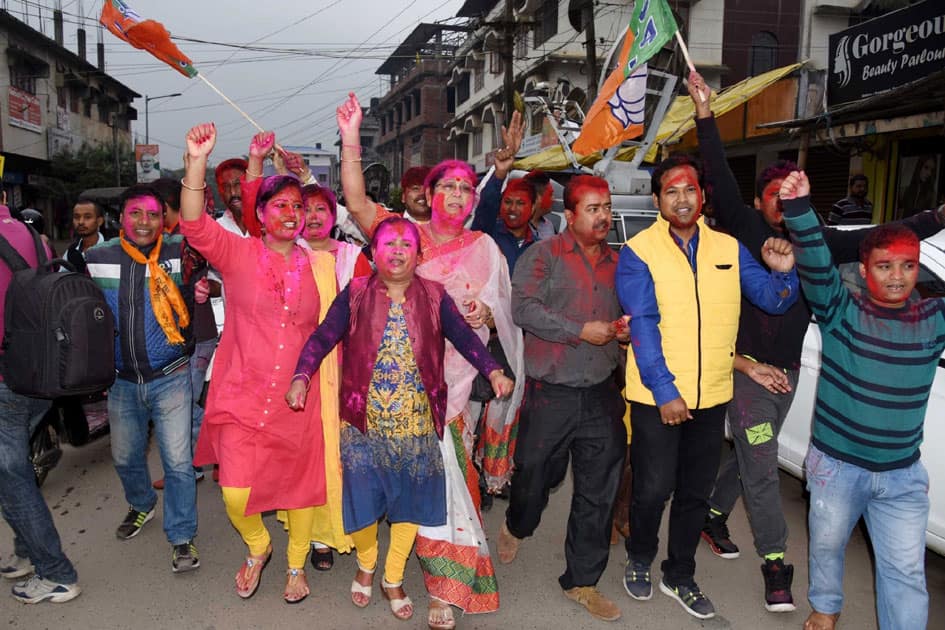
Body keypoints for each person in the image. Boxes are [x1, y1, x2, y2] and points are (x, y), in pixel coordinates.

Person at [686, 70, 945, 613]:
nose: (782, 206)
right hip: (745, 371)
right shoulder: (743, 227)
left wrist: (937, 218)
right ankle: (776, 565)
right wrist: (705, 113)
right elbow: (718, 172)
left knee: (751, 452)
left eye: (790, 197)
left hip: (793, 375)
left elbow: (883, 238)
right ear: (759, 203)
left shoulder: (819, 241)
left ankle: (712, 515)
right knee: (760, 460)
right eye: (774, 197)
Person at [338, 91, 524, 630]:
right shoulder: (402, 237)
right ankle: (393, 570)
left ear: (472, 199)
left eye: (467, 188)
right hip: (396, 390)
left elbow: (497, 317)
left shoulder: (485, 247)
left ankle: (445, 591)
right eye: (448, 185)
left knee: (449, 487)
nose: (457, 194)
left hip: (457, 391)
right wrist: (352, 135)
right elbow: (354, 202)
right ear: (430, 194)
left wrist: (483, 315)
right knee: (413, 485)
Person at [287, 216, 514, 622]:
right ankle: (367, 563)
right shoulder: (355, 292)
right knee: (363, 504)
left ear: (417, 253)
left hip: (418, 424)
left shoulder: (433, 294)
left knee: (411, 506)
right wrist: (302, 376)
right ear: (373, 253)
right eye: (388, 244)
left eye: (406, 245)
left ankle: (392, 578)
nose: (396, 251)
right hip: (362, 425)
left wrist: (493, 370)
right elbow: (323, 337)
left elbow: (463, 336)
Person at [617, 153, 799, 620]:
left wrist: (783, 272)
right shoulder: (638, 252)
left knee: (695, 494)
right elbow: (642, 326)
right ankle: (639, 558)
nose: (682, 198)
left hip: (713, 393)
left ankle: (680, 574)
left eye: (690, 190)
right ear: (657, 199)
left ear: (702, 196)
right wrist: (665, 392)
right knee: (653, 489)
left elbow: (773, 301)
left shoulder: (728, 248)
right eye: (672, 190)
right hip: (655, 396)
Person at [179, 123, 347, 604]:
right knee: (235, 493)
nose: (292, 214)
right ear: (259, 213)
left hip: (298, 398)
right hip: (241, 393)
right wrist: (196, 162)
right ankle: (257, 547)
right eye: (281, 205)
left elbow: (334, 323)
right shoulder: (238, 253)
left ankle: (296, 566)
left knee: (299, 495)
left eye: (299, 206)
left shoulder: (321, 263)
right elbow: (193, 223)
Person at [780, 169, 943, 630]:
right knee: (827, 546)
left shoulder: (935, 318)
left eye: (908, 266)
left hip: (902, 477)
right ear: (864, 269)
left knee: (906, 572)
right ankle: (826, 607)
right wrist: (798, 208)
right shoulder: (840, 312)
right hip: (838, 467)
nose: (897, 276)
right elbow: (814, 260)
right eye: (885, 266)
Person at [499, 174, 628, 622]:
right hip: (549, 391)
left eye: (606, 207)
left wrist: (624, 328)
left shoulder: (620, 263)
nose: (603, 216)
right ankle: (518, 523)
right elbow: (524, 309)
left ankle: (582, 581)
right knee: (535, 473)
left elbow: (630, 312)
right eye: (593, 208)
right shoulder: (543, 256)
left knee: (598, 491)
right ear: (569, 216)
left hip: (601, 393)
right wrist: (578, 330)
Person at [84, 183, 198, 573]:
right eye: (136, 213)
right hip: (121, 382)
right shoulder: (96, 258)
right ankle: (142, 504)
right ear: (121, 217)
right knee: (125, 456)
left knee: (179, 463)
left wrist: (205, 288)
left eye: (152, 213)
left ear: (163, 217)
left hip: (171, 376)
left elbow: (215, 277)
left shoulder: (180, 252)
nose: (145, 221)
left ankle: (182, 537)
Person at [0, 202, 80, 604]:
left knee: (12, 478)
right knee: (13, 473)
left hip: (5, 380)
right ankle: (28, 551)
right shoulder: (32, 234)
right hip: (40, 377)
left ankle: (56, 573)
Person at [150, 178, 217, 491]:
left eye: (152, 210)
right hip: (177, 338)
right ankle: (196, 463)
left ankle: (215, 453)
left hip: (198, 335)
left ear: (164, 208)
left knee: (183, 404)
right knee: (184, 404)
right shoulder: (163, 240)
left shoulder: (188, 239)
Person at [300, 184, 372, 290]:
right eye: (306, 210)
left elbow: (366, 301)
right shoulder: (286, 253)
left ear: (333, 216)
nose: (314, 216)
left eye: (320, 209)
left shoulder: (352, 257)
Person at [471, 178, 537, 274]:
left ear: (533, 208)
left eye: (520, 203)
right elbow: (486, 205)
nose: (513, 208)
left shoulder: (539, 248)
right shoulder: (487, 235)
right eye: (507, 202)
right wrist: (499, 176)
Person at [64, 199, 105, 274]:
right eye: (76, 217)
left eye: (87, 217)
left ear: (99, 221)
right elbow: (61, 278)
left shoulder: (112, 249)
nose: (81, 222)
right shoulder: (71, 251)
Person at [899, 154, 938, 219]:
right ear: (919, 166)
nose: (929, 173)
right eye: (926, 167)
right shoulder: (905, 190)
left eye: (932, 170)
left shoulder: (931, 195)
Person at [523, 170, 559, 239]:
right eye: (550, 194)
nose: (553, 199)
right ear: (537, 197)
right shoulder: (516, 228)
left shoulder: (549, 225)